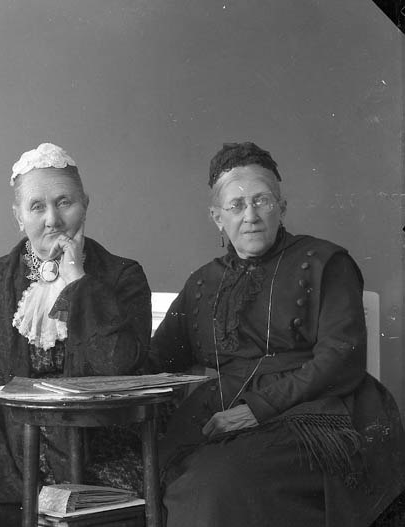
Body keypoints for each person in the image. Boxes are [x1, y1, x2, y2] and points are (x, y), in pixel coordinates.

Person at [150, 142, 405, 527]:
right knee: (181, 475)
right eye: (236, 205)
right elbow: (158, 360)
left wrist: (258, 409)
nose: (251, 216)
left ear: (281, 207)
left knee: (219, 482)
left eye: (262, 201)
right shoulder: (202, 283)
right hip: (222, 419)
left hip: (316, 413)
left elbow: (341, 357)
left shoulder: (325, 262)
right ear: (217, 217)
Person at [0, 143, 152, 526]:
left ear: (85, 204)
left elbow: (120, 364)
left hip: (99, 445)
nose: (52, 220)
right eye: (37, 207)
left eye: (64, 202)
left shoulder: (123, 276)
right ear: (18, 216)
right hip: (11, 453)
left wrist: (77, 280)